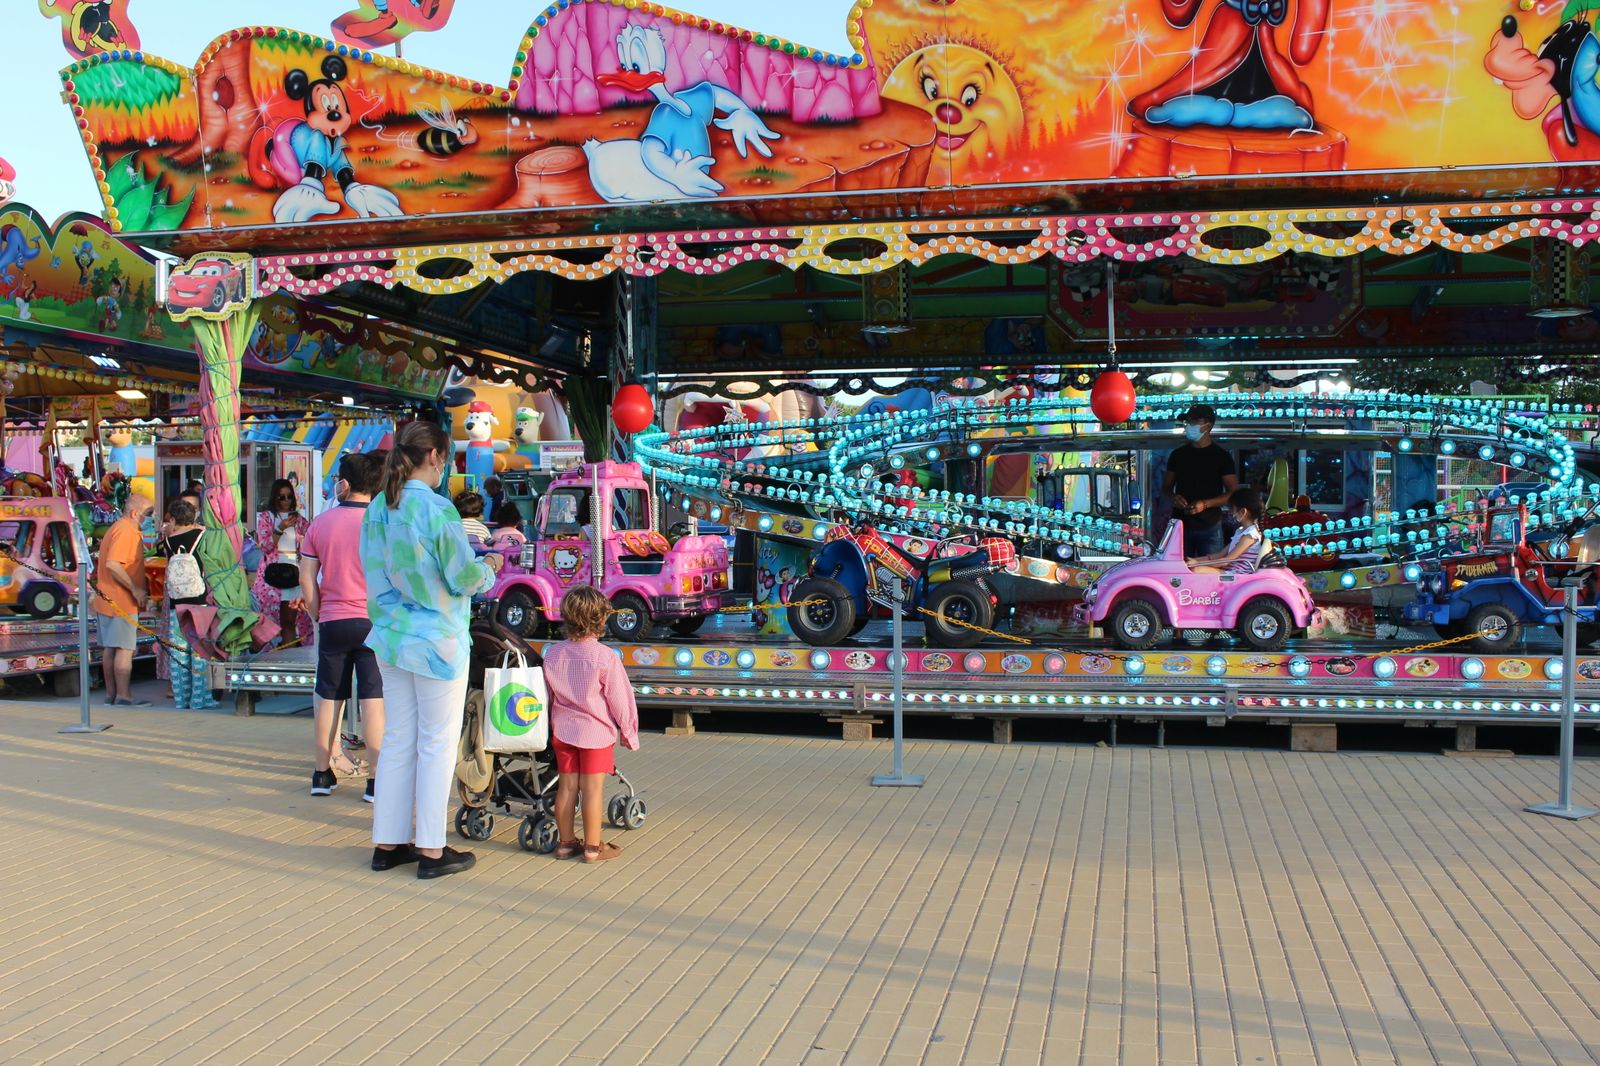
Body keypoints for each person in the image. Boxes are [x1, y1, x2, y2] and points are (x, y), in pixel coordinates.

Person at [363, 422, 504, 880]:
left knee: (399, 739)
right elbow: (463, 579)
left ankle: (388, 843)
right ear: (438, 458)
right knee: (437, 743)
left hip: (389, 635)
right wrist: (491, 564)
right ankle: (431, 848)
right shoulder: (438, 510)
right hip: (438, 640)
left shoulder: (379, 509)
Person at [300, 451, 386, 800]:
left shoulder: (320, 524)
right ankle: (375, 782)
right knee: (374, 700)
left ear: (345, 483)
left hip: (334, 621)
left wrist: (318, 612)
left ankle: (322, 774)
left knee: (328, 697)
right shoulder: (383, 523)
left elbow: (307, 580)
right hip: (374, 622)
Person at [541, 585, 640, 864]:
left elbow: (547, 695)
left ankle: (565, 843)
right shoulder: (605, 657)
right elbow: (620, 699)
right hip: (595, 733)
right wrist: (629, 734)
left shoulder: (553, 654)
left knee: (567, 787)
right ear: (600, 619)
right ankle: (593, 848)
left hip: (563, 730)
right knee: (593, 790)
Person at [157, 498, 217, 710]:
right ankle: (201, 700)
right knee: (200, 651)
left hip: (176, 603)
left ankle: (181, 699)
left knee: (179, 652)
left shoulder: (167, 541)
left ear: (173, 518)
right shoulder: (202, 536)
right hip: (199, 603)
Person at [94, 494, 153, 707]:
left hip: (108, 598)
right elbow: (113, 564)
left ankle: (111, 693)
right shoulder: (127, 531)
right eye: (149, 514)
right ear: (135, 513)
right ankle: (124, 695)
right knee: (124, 648)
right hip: (120, 600)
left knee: (110, 647)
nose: (150, 519)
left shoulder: (118, 528)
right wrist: (135, 589)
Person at [1163, 403, 1238, 560]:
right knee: (1178, 571)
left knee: (1209, 571)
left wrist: (1204, 504)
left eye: (1194, 421)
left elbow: (1233, 493)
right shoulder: (1178, 455)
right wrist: (1174, 497)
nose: (1189, 425)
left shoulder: (1221, 456)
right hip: (1180, 525)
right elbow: (1166, 488)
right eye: (1188, 421)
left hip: (1210, 526)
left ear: (1207, 425)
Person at [253, 478, 314, 647]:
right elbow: (265, 546)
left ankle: (292, 654)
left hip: (294, 573)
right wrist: (279, 529)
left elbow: (310, 541)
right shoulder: (266, 517)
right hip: (273, 575)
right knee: (273, 620)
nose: (286, 501)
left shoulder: (299, 520)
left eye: (289, 497)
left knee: (292, 618)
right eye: (281, 497)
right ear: (274, 498)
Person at [1189, 489, 1267, 575]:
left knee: (1196, 570)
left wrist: (1196, 563)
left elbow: (1227, 561)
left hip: (1238, 575)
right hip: (1231, 572)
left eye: (1232, 509)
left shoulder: (1250, 535)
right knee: (1193, 568)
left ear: (1243, 512)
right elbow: (1220, 554)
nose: (1230, 512)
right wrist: (1193, 560)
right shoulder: (1241, 531)